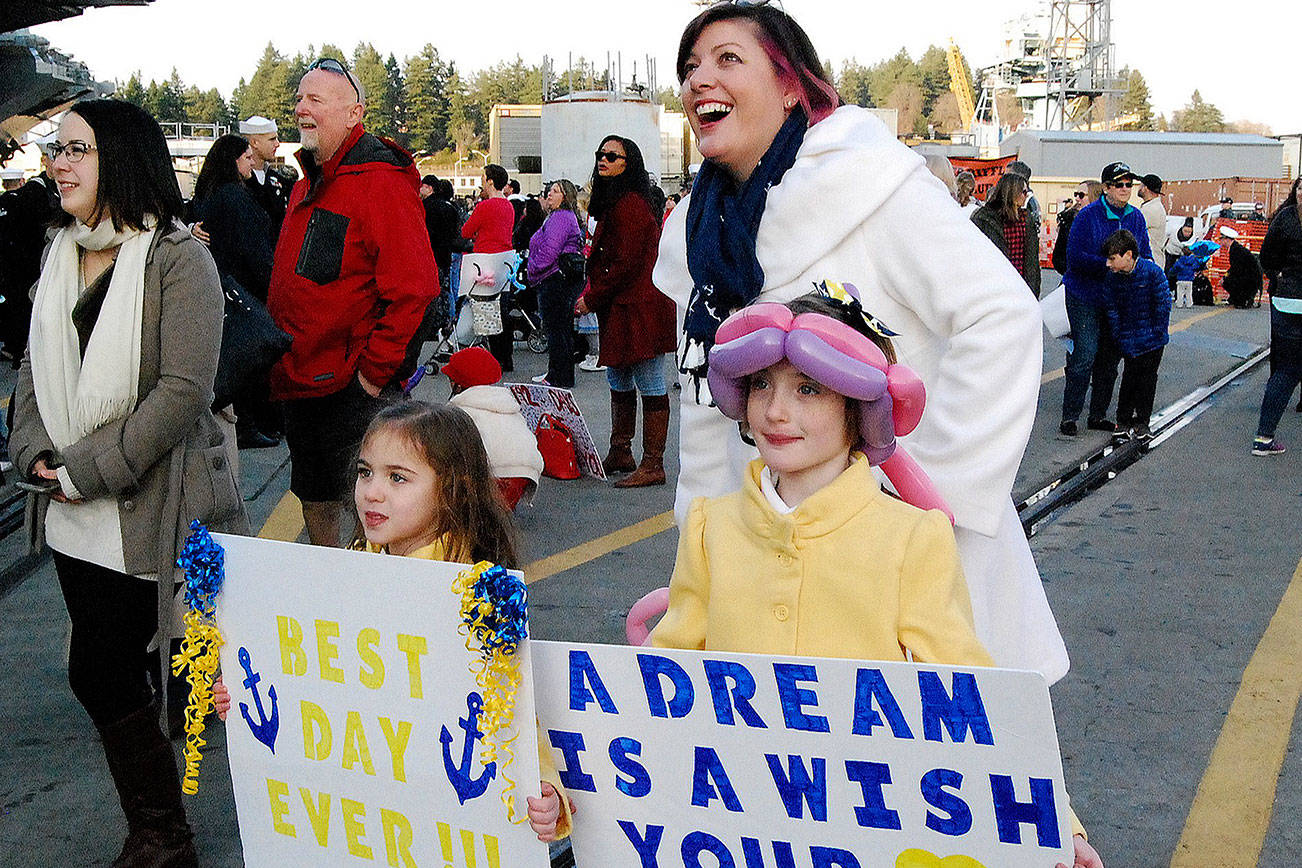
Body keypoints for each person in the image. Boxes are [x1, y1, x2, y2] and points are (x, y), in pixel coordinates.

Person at [654, 1, 1072, 695]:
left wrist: (916, 490)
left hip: (903, 552)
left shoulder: (870, 184)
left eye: (729, 59)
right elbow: (705, 402)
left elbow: (1000, 316)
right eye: (690, 67)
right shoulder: (701, 228)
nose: (701, 79)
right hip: (768, 551)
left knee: (935, 765)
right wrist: (701, 550)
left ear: (793, 83)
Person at [652, 290, 1098, 868]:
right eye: (762, 384)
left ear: (860, 408)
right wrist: (566, 786)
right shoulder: (711, 529)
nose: (775, 411)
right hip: (739, 832)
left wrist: (1055, 821)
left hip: (864, 836)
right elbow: (658, 676)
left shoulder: (914, 539)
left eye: (808, 388)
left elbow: (972, 695)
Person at [9, 98, 247, 866]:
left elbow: (182, 392)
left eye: (76, 148)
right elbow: (34, 376)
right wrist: (33, 454)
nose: (58, 162)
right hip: (71, 507)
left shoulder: (180, 258)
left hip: (140, 499)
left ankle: (162, 833)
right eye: (55, 148)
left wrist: (89, 468)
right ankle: (157, 824)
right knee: (115, 662)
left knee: (99, 666)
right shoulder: (59, 250)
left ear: (120, 156)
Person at [213, 400, 569, 841]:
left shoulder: (475, 596)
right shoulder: (355, 564)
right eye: (366, 472)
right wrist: (245, 693)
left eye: (397, 477)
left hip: (438, 824)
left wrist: (544, 785)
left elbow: (512, 707)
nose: (372, 492)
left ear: (453, 489)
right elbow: (312, 674)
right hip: (371, 817)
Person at [268, 57, 438, 547]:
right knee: (314, 493)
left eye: (315, 99)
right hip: (302, 381)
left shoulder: (378, 180)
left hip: (349, 388)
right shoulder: (309, 181)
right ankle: (330, 587)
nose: (301, 107)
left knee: (375, 508)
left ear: (353, 113)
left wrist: (371, 375)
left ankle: (378, 601)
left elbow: (416, 288)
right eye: (299, 98)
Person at [576, 135, 676, 488]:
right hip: (623, 306)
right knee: (617, 376)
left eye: (612, 156)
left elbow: (624, 264)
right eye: (600, 154)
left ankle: (653, 463)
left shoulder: (631, 204)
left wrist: (592, 298)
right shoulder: (617, 202)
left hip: (639, 306)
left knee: (649, 381)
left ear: (627, 162)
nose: (603, 160)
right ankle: (621, 450)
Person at [189, 133, 279, 450]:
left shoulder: (210, 195)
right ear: (233, 161)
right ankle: (249, 424)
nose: (251, 160)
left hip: (222, 286)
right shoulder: (234, 197)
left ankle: (249, 422)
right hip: (245, 288)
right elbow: (254, 248)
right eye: (245, 157)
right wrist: (274, 285)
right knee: (250, 358)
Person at [1060, 161, 1153, 436]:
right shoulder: (1087, 216)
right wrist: (1110, 264)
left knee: (1110, 360)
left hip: (1118, 297)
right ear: (1107, 188)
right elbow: (1073, 259)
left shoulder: (1136, 217)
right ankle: (1070, 416)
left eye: (1129, 184)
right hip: (1084, 294)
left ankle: (1098, 415)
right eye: (1120, 184)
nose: (1126, 189)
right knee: (1085, 354)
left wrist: (1138, 270)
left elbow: (1145, 253)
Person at [442, 346, 543, 509]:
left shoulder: (459, 411)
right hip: (523, 476)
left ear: (458, 384)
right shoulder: (508, 404)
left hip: (489, 479)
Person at [1102, 230, 1171, 441]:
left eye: (1113, 258)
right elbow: (1111, 307)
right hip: (1129, 338)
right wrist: (1118, 333)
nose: (1108, 264)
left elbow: (1163, 303)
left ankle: (1142, 422)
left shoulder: (1152, 273)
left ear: (1129, 255)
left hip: (1152, 341)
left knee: (1147, 380)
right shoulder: (1114, 278)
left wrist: (1158, 332)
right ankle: (1123, 421)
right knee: (1130, 378)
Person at [1252, 178, 1302, 454]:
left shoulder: (1284, 218)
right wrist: (1279, 277)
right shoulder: (1285, 219)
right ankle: (1264, 437)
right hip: (1290, 300)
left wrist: (1278, 276)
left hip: (1286, 300)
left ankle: (1264, 436)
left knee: (1284, 371)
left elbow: (1267, 257)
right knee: (1286, 371)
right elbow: (1267, 258)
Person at [0, 140, 59, 365]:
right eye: (54, 157)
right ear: (45, 161)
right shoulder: (35, 193)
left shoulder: (50, 190)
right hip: (30, 270)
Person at [528, 179, 584, 387]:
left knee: (556, 330)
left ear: (566, 196)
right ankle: (558, 374)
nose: (549, 194)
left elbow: (550, 251)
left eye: (555, 191)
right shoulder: (560, 217)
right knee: (560, 329)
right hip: (556, 278)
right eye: (549, 191)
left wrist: (533, 267)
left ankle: (558, 376)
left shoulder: (560, 218)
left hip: (554, 279)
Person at [462, 163, 517, 372]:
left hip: (484, 262)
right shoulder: (508, 206)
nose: (481, 182)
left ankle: (495, 358)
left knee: (486, 310)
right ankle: (506, 356)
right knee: (502, 309)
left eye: (483, 178)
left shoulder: (484, 206)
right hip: (504, 261)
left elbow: (466, 231)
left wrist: (477, 233)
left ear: (491, 181)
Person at [971, 171, 1041, 296]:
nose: (1026, 196)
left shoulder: (1025, 218)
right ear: (1012, 192)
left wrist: (1033, 292)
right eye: (1023, 192)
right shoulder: (983, 217)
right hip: (993, 284)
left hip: (1020, 285)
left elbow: (1032, 261)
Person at [238, 115, 292, 237]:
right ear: (254, 143)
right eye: (272, 139)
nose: (277, 144)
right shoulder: (236, 181)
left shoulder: (279, 179)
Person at [1052, 180, 1100, 275]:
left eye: (1081, 195)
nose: (1077, 198)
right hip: (1074, 278)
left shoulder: (1105, 221)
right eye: (1076, 194)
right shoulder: (1068, 220)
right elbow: (1058, 257)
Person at [1222, 226, 1263, 309]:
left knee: (1228, 282)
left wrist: (1225, 277)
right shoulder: (1236, 248)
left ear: (1227, 239)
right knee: (1229, 279)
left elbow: (1237, 269)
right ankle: (1238, 298)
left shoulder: (1236, 250)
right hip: (1251, 277)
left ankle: (1242, 299)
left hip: (1250, 279)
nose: (1221, 242)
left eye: (1222, 239)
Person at [1137, 173, 1167, 263]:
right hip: (1154, 260)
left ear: (1145, 188)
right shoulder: (1153, 206)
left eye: (1141, 185)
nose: (1139, 188)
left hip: (1150, 261)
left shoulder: (1151, 209)